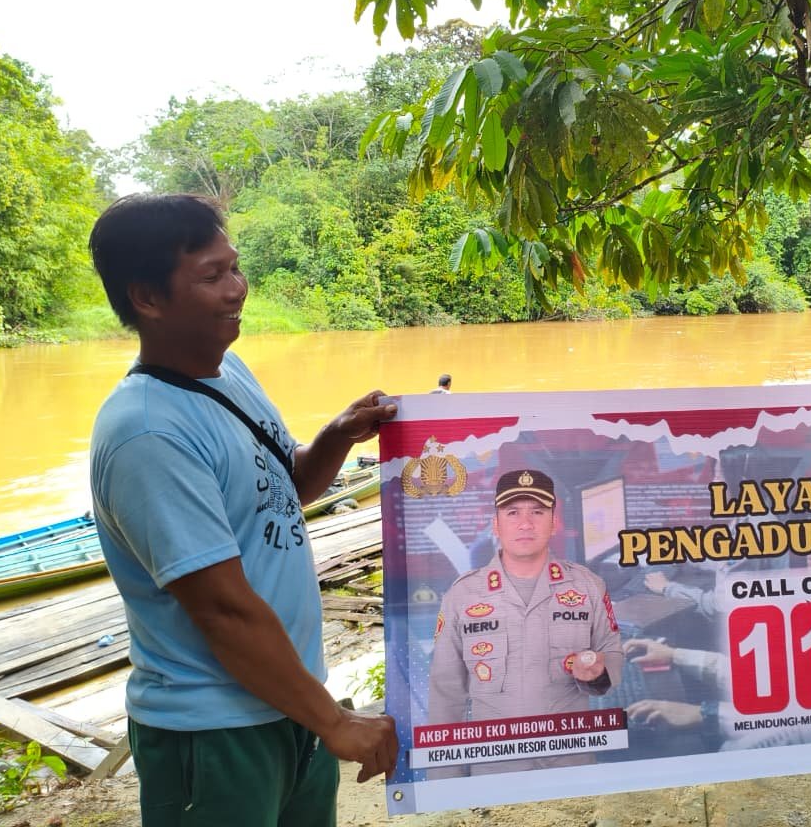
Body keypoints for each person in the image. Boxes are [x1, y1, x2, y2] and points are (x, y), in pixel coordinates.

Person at [87, 194, 399, 827]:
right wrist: (337, 722)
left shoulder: (228, 372)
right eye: (212, 275)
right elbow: (223, 610)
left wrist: (337, 436)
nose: (237, 289)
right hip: (213, 732)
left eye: (234, 267)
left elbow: (284, 489)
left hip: (291, 702)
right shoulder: (148, 433)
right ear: (146, 297)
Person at [426, 467, 624, 772]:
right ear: (496, 524)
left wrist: (597, 673)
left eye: (538, 512)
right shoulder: (462, 595)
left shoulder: (588, 586)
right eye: (512, 512)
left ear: (554, 523)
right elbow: (445, 694)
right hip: (497, 766)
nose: (526, 523)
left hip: (571, 761)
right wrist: (444, 779)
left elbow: (612, 653)